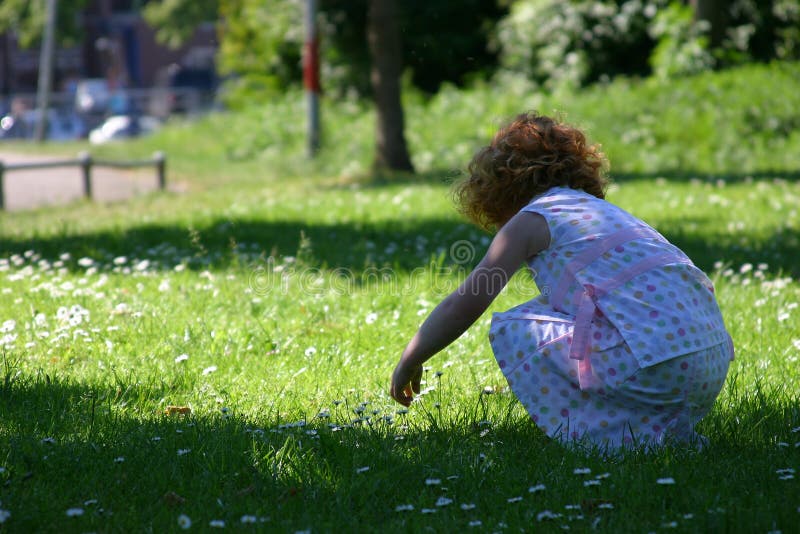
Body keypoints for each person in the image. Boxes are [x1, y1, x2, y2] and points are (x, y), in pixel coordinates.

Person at [390, 111, 734, 449]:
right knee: (570, 307)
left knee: (516, 325)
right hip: (708, 364)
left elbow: (466, 302)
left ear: (497, 185)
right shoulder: (603, 212)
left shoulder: (530, 220)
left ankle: (605, 440)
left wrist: (412, 357)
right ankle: (660, 436)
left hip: (655, 368)